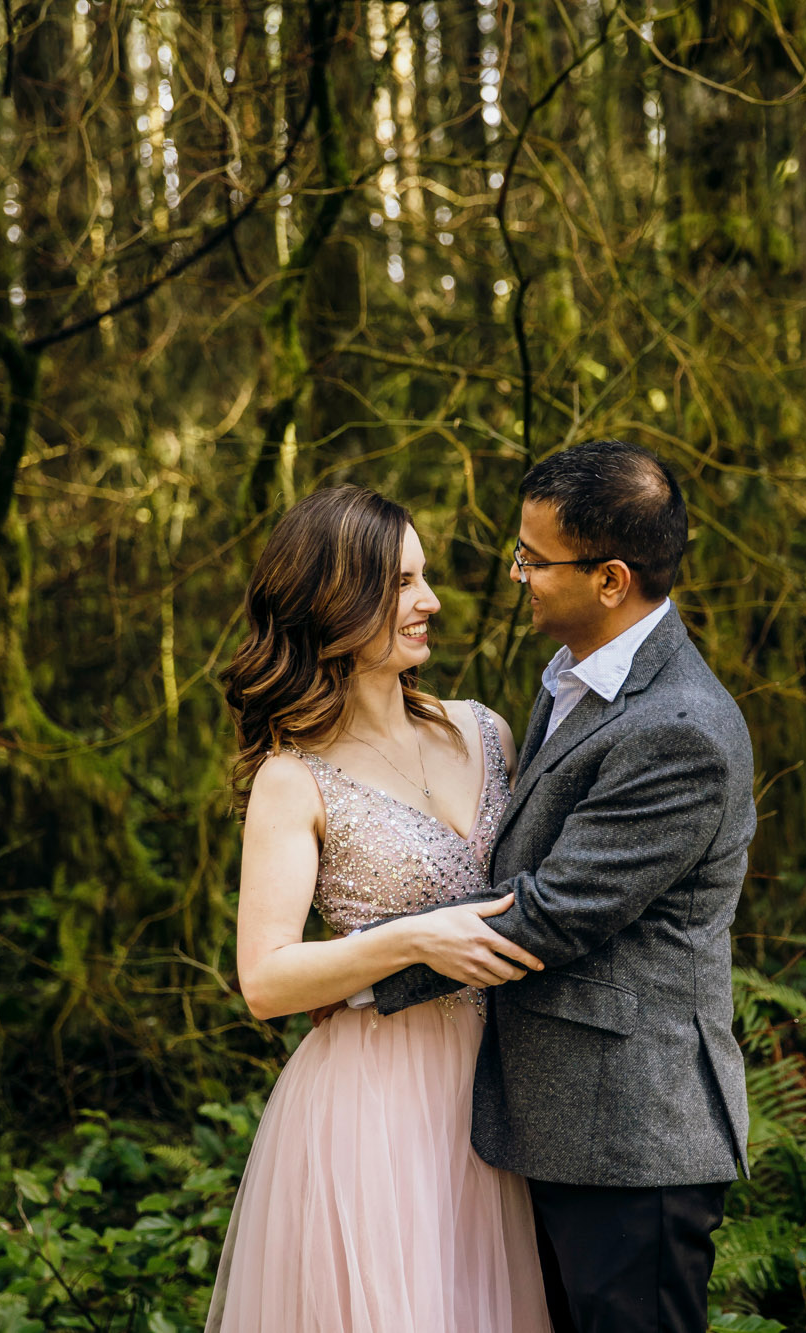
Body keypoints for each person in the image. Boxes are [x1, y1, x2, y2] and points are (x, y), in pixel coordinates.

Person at [366, 439, 757, 1333]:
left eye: (535, 560)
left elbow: (551, 911)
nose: (519, 576)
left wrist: (363, 967)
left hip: (632, 1137)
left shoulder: (682, 728)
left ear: (611, 578)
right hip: (563, 1120)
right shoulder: (576, 679)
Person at [205, 484, 554, 1333]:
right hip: (375, 1114)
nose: (429, 602)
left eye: (423, 577)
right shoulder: (294, 779)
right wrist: (411, 938)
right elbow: (265, 979)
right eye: (402, 583)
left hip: (502, 1098)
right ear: (335, 600)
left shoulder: (487, 730)